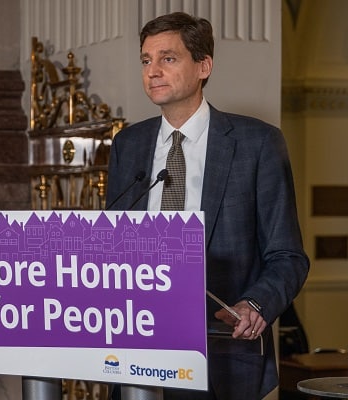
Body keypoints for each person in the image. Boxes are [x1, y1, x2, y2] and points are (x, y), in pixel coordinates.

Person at [104, 12, 310, 400]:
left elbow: (288, 256)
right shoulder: (128, 146)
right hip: (137, 352)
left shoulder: (257, 144)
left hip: (223, 357)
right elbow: (114, 246)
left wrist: (255, 304)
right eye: (146, 60)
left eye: (168, 58)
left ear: (203, 66)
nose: (153, 71)